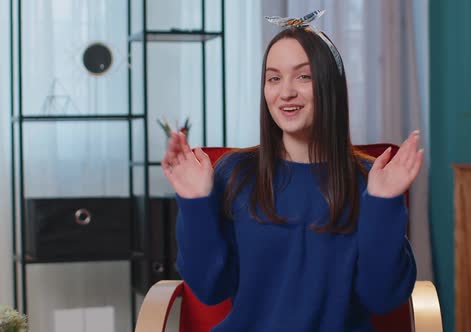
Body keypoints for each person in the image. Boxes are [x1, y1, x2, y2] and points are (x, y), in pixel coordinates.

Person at [161, 10, 423, 332]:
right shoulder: (234, 173)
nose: (285, 92)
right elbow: (210, 288)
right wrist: (195, 203)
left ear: (330, 86)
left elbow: (382, 298)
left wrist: (383, 203)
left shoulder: (373, 179)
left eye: (304, 76)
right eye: (273, 78)